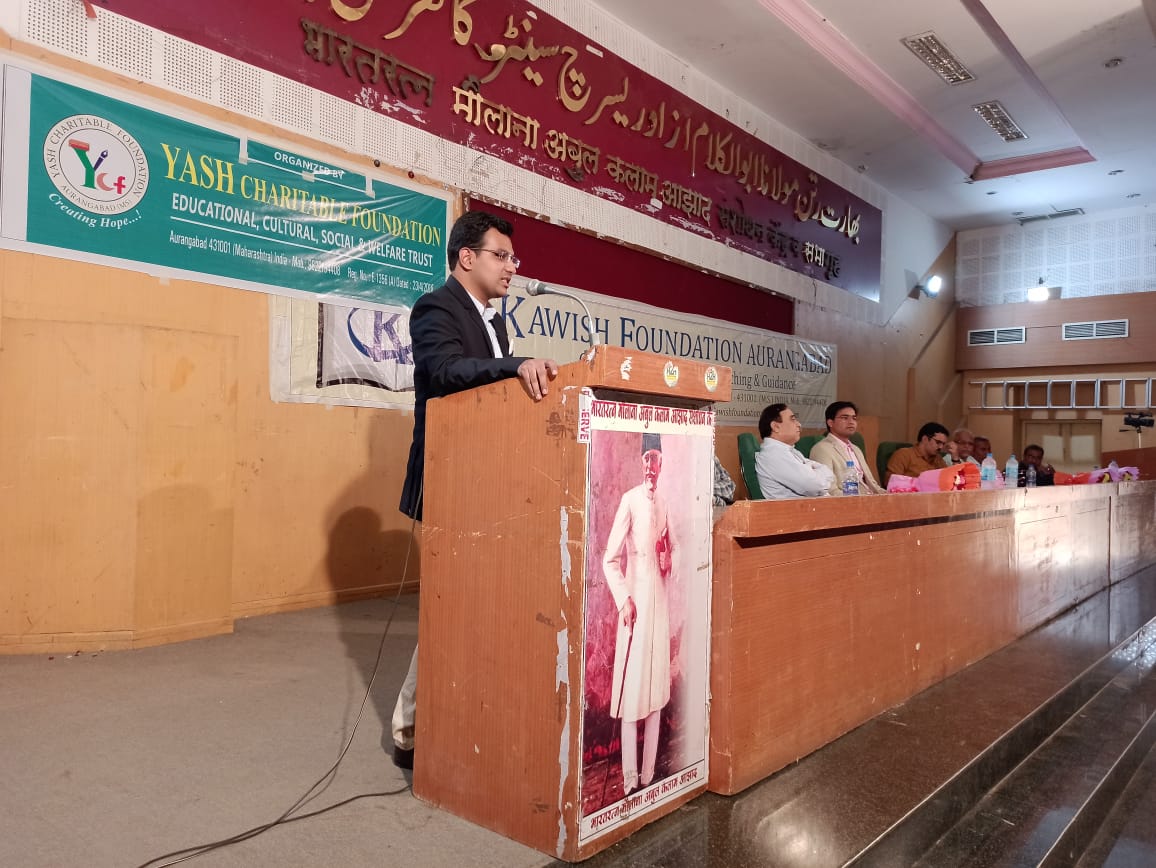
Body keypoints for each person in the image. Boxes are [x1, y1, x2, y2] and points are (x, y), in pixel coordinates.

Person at [392, 211, 559, 770]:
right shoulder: (435, 308)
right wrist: (514, 367)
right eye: (501, 255)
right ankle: (411, 729)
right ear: (467, 257)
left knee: (471, 607)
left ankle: (442, 720)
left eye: (513, 258)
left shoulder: (495, 321)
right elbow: (445, 371)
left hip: (490, 478)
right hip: (450, 477)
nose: (512, 267)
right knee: (453, 608)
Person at [603, 433, 674, 796]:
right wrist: (624, 600)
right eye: (646, 458)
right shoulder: (630, 500)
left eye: (655, 457)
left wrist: (669, 559)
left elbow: (672, 552)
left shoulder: (664, 503)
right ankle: (630, 778)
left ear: (662, 463)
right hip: (635, 607)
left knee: (657, 690)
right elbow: (610, 559)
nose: (650, 465)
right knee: (633, 692)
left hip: (659, 606)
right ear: (640, 462)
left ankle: (648, 777)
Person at [754, 403, 835, 499]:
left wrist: (814, 474)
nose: (799, 424)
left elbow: (829, 473)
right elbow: (815, 486)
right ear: (775, 427)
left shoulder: (788, 451)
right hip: (801, 508)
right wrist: (812, 470)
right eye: (792, 419)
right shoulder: (773, 455)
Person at [809, 401, 885, 495]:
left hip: (871, 497)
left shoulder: (856, 449)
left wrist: (889, 495)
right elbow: (829, 490)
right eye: (845, 418)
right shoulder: (821, 449)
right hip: (850, 500)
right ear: (830, 423)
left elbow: (872, 484)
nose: (851, 422)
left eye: (854, 418)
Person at [884, 422, 949, 485]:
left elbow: (948, 482)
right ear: (925, 439)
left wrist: (954, 458)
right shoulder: (903, 455)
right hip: (909, 492)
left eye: (943, 444)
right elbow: (890, 482)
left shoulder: (938, 459)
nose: (941, 447)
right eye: (938, 442)